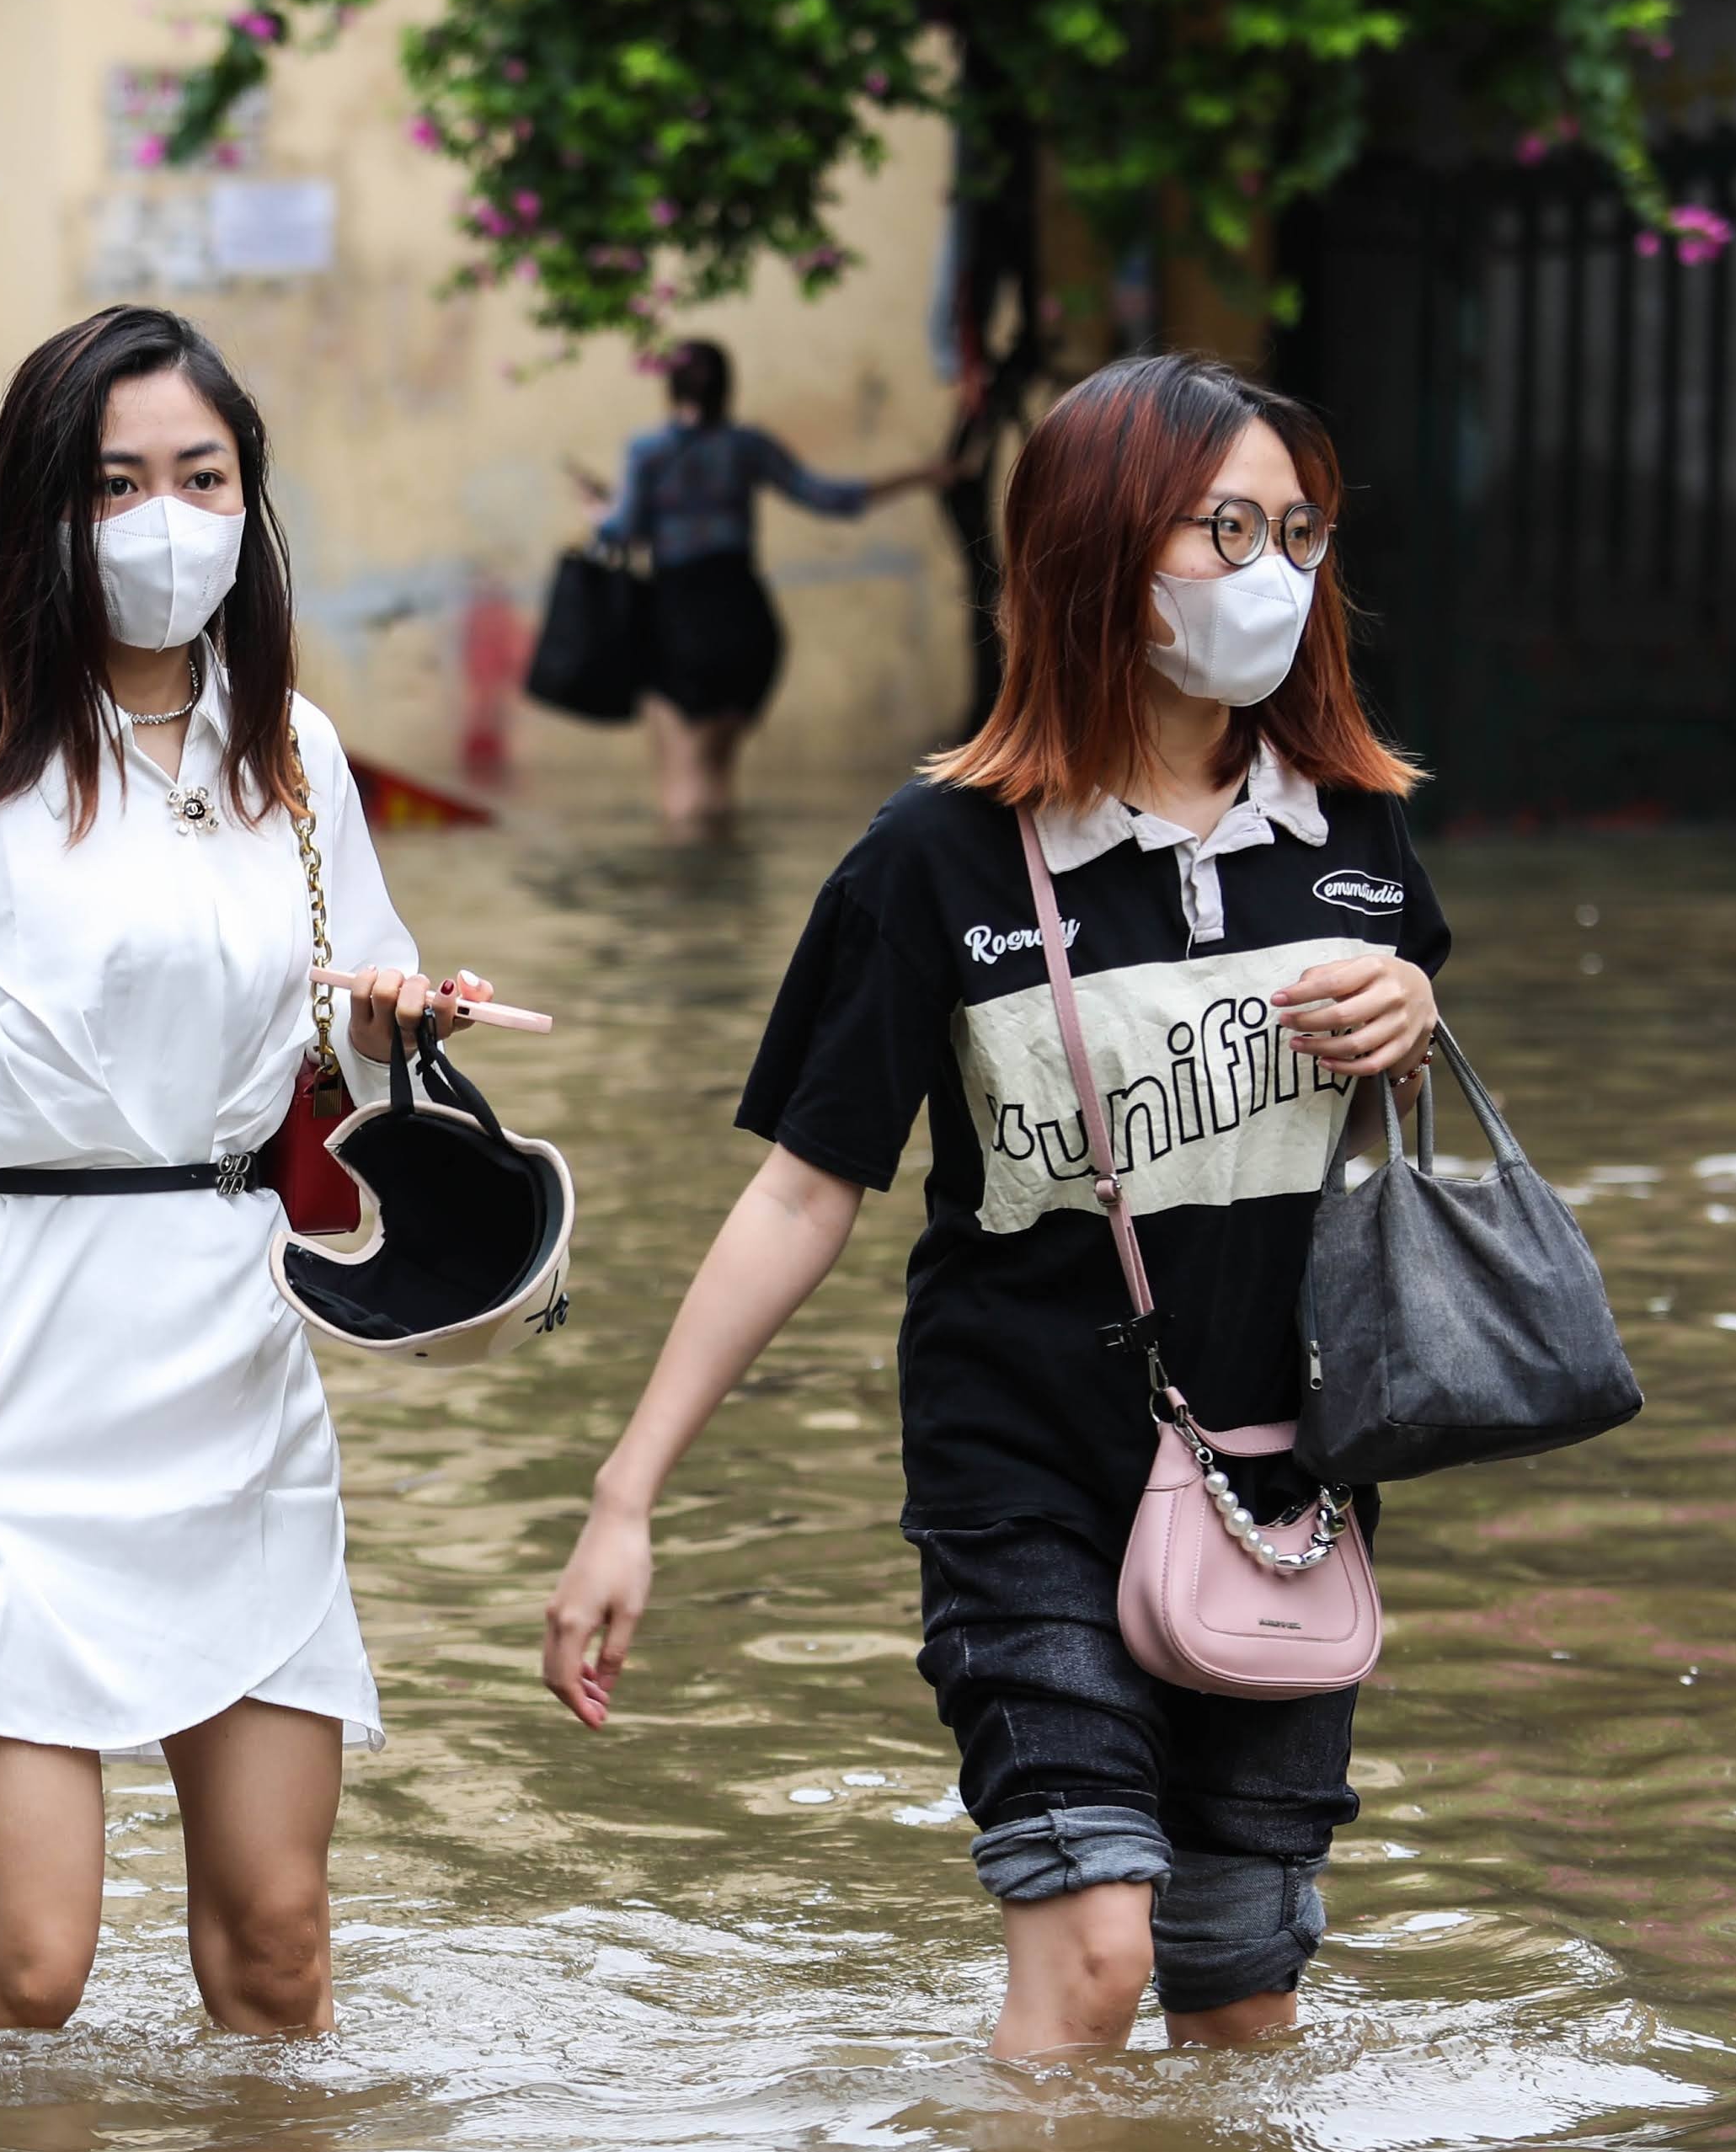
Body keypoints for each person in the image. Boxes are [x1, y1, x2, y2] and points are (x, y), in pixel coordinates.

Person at [537, 354, 1446, 2061]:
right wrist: (625, 1493)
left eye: (1296, 531)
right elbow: (805, 1190)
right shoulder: (932, 858)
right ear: (1099, 556)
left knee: (1241, 1989)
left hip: (1289, 1474)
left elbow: (1385, 1113)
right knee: (1095, 1949)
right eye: (1221, 528)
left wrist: (1408, 1017)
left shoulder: (1356, 838)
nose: (1270, 570)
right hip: (1019, 1469)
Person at [0, 303, 486, 2042]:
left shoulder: (289, 755)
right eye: (113, 484)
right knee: (26, 1970)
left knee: (278, 1947)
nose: (165, 518)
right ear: (40, 512)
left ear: (249, 498)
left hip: (231, 1351)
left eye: (200, 475)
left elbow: (346, 1049)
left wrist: (391, 1026)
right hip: (6, 1356)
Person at [577, 339, 908, 835]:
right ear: (727, 389)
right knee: (718, 769)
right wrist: (923, 477)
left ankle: (693, 898)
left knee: (684, 774)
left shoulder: (648, 451)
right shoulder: (746, 446)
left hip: (678, 617)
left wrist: (597, 511)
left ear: (671, 388)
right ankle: (725, 893)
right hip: (743, 615)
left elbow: (619, 532)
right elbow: (827, 497)